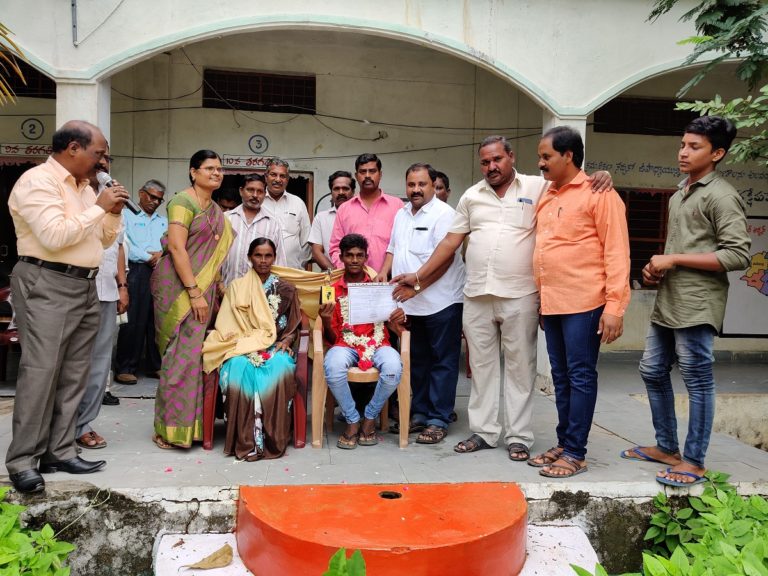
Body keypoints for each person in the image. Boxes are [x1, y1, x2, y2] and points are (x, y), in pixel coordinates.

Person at [393, 135, 612, 462]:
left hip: (520, 294)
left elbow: (573, 183)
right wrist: (419, 276)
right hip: (477, 294)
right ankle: (483, 431)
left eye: (497, 159)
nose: (491, 167)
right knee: (481, 368)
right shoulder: (471, 195)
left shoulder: (538, 187)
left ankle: (519, 436)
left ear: (511, 157)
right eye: (485, 162)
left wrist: (602, 175)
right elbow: (450, 243)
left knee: (520, 368)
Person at [622, 116, 751, 487]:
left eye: (694, 147)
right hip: (670, 300)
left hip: (698, 303)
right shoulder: (681, 193)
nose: (683, 152)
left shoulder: (721, 195)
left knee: (697, 379)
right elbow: (682, 250)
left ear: (718, 153)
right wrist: (656, 269)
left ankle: (693, 461)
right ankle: (666, 446)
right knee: (651, 370)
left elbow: (737, 255)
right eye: (682, 144)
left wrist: (674, 259)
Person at [6, 120, 128, 493]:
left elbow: (105, 240)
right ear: (73, 148)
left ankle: (59, 449)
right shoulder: (36, 182)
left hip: (85, 285)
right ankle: (23, 459)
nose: (102, 161)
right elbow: (55, 235)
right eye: (98, 153)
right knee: (41, 372)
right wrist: (98, 208)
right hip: (47, 280)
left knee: (76, 372)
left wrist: (112, 210)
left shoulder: (85, 188)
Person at [528, 126, 630, 478]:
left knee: (580, 376)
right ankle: (564, 442)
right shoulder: (547, 193)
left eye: (546, 157)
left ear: (568, 155)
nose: (540, 163)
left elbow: (617, 253)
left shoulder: (600, 194)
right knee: (561, 377)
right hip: (553, 302)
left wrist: (615, 307)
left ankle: (576, 453)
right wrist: (542, 299)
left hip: (585, 301)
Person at [150, 149, 234, 450]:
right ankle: (169, 429)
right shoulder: (182, 202)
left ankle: (193, 427)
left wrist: (217, 286)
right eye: (209, 168)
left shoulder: (213, 208)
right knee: (178, 359)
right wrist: (194, 292)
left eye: (219, 169)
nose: (216, 173)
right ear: (192, 171)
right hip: (181, 291)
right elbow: (176, 247)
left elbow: (214, 255)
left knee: (197, 359)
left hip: (205, 290)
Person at [378, 163, 465, 444]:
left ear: (432, 185)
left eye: (422, 184)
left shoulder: (444, 214)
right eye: (411, 184)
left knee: (443, 361)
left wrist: (417, 285)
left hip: (441, 302)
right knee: (418, 360)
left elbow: (446, 258)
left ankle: (438, 418)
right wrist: (384, 269)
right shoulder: (402, 214)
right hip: (411, 304)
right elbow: (394, 247)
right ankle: (419, 413)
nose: (416, 189)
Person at [203, 238, 301, 460]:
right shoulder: (237, 287)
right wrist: (244, 345)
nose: (263, 261)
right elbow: (227, 324)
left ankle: (273, 438)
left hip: (275, 347)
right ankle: (246, 440)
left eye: (268, 256)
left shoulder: (286, 289)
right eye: (258, 255)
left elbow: (294, 325)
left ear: (274, 258)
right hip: (241, 345)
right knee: (238, 366)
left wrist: (286, 341)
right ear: (249, 258)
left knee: (281, 366)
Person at [320, 234, 405, 449]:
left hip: (377, 343)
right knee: (332, 366)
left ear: (366, 257)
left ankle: (369, 417)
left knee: (394, 367)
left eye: (359, 255)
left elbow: (392, 326)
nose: (355, 260)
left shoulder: (379, 286)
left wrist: (398, 319)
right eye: (349, 255)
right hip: (345, 345)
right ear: (341, 257)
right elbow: (330, 339)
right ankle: (352, 419)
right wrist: (326, 319)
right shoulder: (330, 289)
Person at [76, 148, 130, 448]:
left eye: (108, 159)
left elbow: (117, 246)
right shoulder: (77, 195)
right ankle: (59, 427)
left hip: (106, 291)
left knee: (99, 362)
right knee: (72, 363)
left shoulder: (112, 198)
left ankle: (83, 423)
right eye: (99, 158)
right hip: (74, 288)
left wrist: (122, 285)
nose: (104, 164)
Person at [114, 179, 167, 383]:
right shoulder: (125, 215)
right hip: (136, 270)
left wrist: (161, 255)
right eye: (151, 196)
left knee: (156, 320)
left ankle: (155, 365)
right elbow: (123, 243)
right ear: (141, 193)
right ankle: (125, 367)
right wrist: (149, 257)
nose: (154, 202)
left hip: (160, 271)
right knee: (133, 320)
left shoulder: (163, 221)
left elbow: (169, 243)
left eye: (159, 200)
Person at [328, 154, 404, 274]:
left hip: (388, 281)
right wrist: (348, 271)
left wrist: (386, 272)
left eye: (372, 171)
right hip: (352, 282)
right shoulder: (344, 209)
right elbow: (335, 248)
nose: (367, 175)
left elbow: (403, 245)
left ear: (380, 174)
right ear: (357, 176)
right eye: (363, 172)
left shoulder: (397, 206)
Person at [221, 173, 286, 287]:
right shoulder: (226, 219)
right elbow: (214, 259)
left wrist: (267, 292)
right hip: (227, 292)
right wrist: (219, 287)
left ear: (264, 194)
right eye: (250, 190)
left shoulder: (272, 223)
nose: (255, 195)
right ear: (241, 191)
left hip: (260, 295)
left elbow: (279, 264)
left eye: (260, 191)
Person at [261, 158, 311, 269]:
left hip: (292, 272)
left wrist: (300, 265)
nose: (278, 179)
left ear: (287, 179)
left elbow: (306, 240)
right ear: (266, 177)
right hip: (260, 273)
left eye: (282, 176)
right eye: (273, 174)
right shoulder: (257, 202)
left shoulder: (298, 203)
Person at [309, 171, 354, 270]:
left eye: (345, 188)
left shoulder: (361, 215)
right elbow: (316, 252)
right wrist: (336, 274)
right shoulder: (321, 218)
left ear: (353, 191)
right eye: (336, 189)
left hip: (360, 278)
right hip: (330, 277)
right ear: (331, 192)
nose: (341, 192)